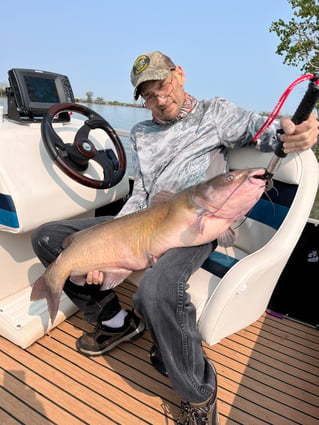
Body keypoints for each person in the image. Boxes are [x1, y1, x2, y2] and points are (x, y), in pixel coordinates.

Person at [32, 51, 319, 425]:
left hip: (194, 226)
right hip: (144, 222)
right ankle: (117, 321)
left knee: (154, 292)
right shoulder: (139, 132)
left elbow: (267, 132)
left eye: (162, 86)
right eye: (148, 96)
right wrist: (111, 240)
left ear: (179, 74)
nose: (158, 100)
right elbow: (141, 192)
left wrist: (299, 132)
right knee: (49, 239)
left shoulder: (214, 113)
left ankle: (200, 395)